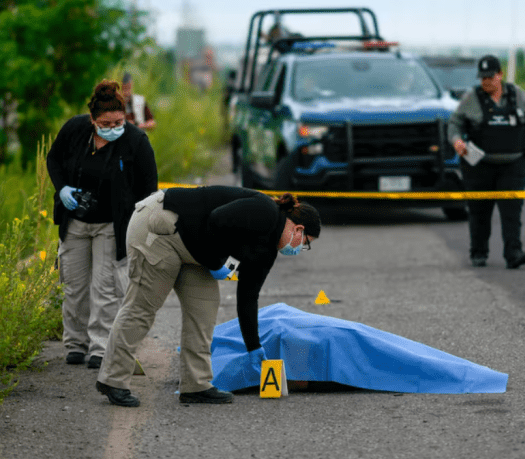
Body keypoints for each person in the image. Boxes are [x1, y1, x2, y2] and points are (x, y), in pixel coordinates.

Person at [96, 187, 321, 407]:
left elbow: (248, 297)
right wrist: (217, 264)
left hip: (195, 246)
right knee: (142, 307)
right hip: (160, 226)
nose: (301, 248)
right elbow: (217, 219)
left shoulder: (267, 251)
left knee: (204, 307)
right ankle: (112, 380)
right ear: (298, 229)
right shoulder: (266, 211)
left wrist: (254, 347)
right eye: (306, 242)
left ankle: (195, 386)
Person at [46, 80, 158, 370]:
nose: (113, 128)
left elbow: (149, 188)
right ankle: (74, 343)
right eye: (105, 123)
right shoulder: (75, 130)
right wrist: (62, 189)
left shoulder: (135, 141)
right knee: (74, 287)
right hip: (76, 222)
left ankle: (100, 347)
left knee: (106, 289)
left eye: (119, 122)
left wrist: (141, 228)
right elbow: (54, 159)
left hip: (112, 225)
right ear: (93, 120)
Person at [448, 55, 525, 269]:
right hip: (480, 166)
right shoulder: (471, 98)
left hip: (513, 164)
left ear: (500, 75)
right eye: (482, 78)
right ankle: (479, 252)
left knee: (512, 211)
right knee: (479, 211)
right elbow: (454, 124)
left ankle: (513, 253)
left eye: (490, 77)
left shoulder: (517, 95)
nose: (486, 82)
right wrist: (457, 141)